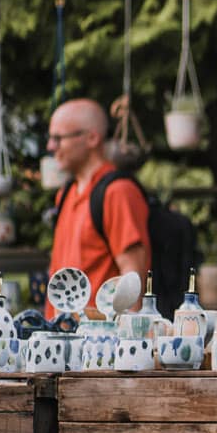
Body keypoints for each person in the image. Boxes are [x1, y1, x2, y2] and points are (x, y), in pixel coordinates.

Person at [45, 98, 150, 315]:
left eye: (58, 138)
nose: (50, 146)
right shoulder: (65, 194)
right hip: (62, 337)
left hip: (100, 341)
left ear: (92, 138)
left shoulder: (118, 191)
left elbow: (133, 281)